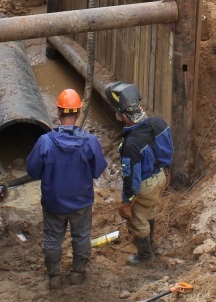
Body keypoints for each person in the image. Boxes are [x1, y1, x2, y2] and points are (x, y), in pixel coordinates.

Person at [26, 89, 107, 289]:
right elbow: (98, 170)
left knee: (52, 238)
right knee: (81, 237)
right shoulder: (90, 142)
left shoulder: (45, 142)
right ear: (79, 113)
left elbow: (33, 171)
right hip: (81, 201)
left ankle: (54, 276)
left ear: (58, 112)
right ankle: (77, 274)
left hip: (54, 203)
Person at [104, 81, 173, 265]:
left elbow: (132, 179)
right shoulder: (158, 123)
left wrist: (126, 201)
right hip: (160, 177)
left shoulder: (131, 144)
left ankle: (145, 256)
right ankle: (151, 244)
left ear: (124, 116)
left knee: (137, 219)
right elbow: (167, 150)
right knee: (149, 211)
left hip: (145, 184)